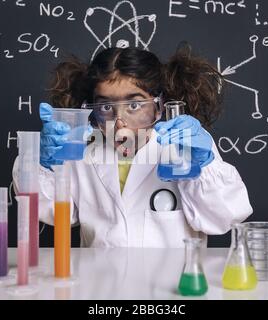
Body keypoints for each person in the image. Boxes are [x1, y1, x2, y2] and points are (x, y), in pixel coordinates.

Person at [13, 45, 253, 248]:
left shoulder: (185, 146)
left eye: (135, 106)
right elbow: (48, 212)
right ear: (91, 108)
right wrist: (42, 164)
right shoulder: (82, 148)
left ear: (159, 105)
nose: (120, 123)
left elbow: (225, 217)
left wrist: (205, 165)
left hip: (171, 287)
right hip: (99, 286)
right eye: (106, 107)